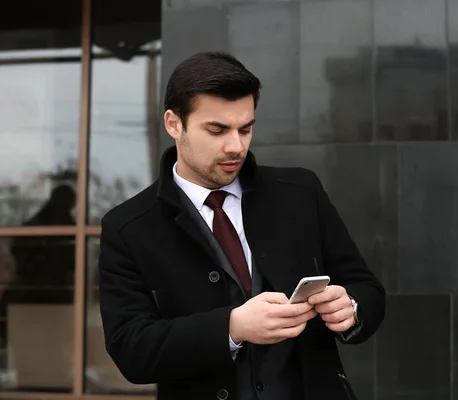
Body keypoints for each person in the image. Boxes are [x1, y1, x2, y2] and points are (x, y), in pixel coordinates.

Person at [98, 51, 386, 400]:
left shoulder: (300, 193)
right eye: (217, 130)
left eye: (245, 128)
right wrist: (232, 327)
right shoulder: (128, 226)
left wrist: (351, 307)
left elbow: (366, 288)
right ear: (174, 124)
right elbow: (131, 350)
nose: (236, 146)